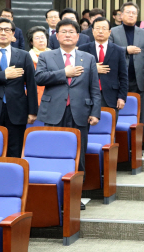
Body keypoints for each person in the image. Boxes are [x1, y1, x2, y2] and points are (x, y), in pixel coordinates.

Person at [36, 19, 101, 209]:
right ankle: (54, 196)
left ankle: (75, 196)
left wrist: (95, 112)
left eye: (71, 32)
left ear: (78, 36)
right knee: (53, 153)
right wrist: (64, 72)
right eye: (63, 32)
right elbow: (39, 78)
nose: (67, 35)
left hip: (80, 112)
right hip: (54, 112)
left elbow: (94, 88)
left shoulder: (87, 58)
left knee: (78, 156)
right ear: (57, 36)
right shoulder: (47, 57)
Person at [0, 18, 38, 158]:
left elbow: (31, 84)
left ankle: (14, 178)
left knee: (15, 149)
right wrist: (3, 75)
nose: (3, 33)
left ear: (13, 35)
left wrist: (33, 111)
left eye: (7, 30)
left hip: (17, 109)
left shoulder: (23, 55)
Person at [109, 1, 144, 124]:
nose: (131, 15)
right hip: (118, 79)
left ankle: (139, 142)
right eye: (128, 12)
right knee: (118, 111)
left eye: (134, 13)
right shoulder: (113, 31)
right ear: (121, 15)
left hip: (138, 79)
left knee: (139, 113)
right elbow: (109, 51)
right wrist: (126, 50)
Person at [78, 17, 128, 118]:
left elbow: (123, 76)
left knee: (109, 129)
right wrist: (92, 68)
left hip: (110, 96)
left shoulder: (118, 51)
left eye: (104, 28)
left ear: (109, 32)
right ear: (92, 31)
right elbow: (78, 72)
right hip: (87, 95)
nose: (100, 31)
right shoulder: (83, 49)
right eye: (97, 28)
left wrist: (122, 97)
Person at [27, 26, 51, 106]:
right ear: (31, 42)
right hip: (35, 97)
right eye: (37, 38)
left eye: (43, 37)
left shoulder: (55, 55)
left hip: (54, 96)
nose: (41, 40)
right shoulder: (27, 57)